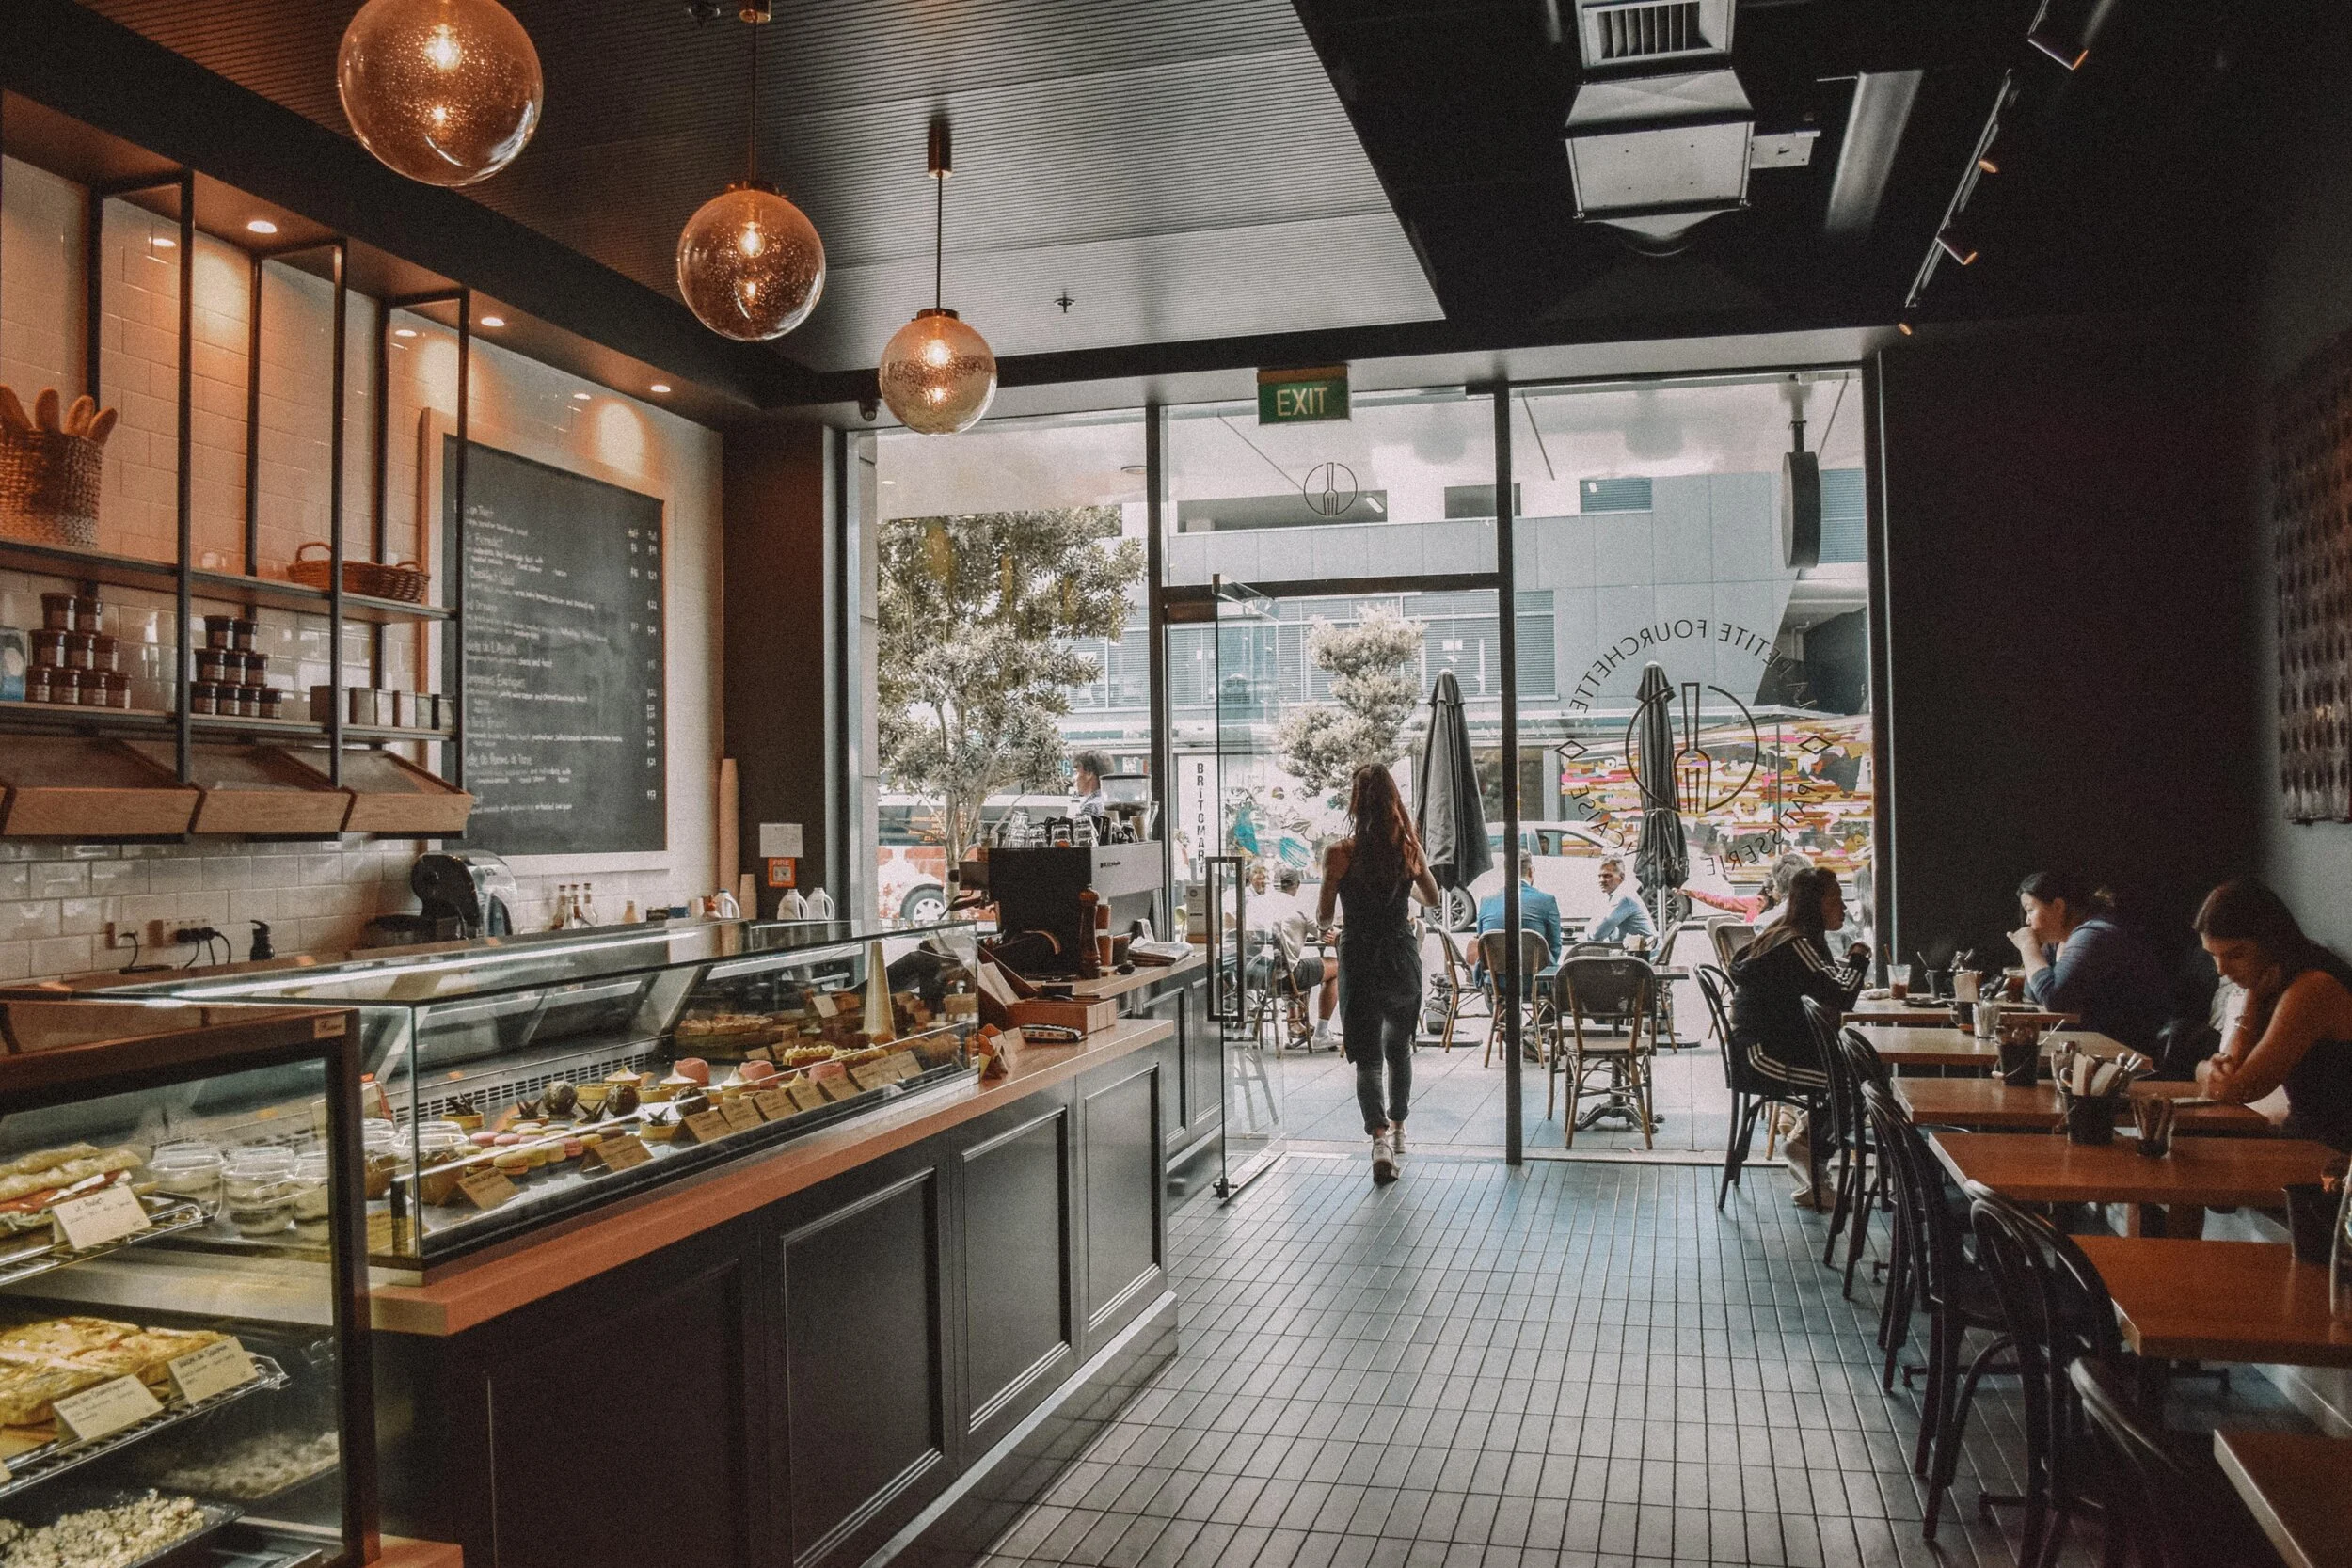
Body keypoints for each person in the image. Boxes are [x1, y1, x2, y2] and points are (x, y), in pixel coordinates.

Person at [1317, 764, 1440, 1185]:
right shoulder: (1407, 848)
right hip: (1400, 951)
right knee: (1398, 1044)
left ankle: (1379, 1140)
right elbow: (1433, 896)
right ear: (1393, 801)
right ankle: (1401, 1125)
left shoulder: (1339, 853)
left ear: (1355, 801)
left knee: (1366, 1055)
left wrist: (1329, 927)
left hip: (1359, 953)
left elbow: (1323, 914)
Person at [1726, 866, 1869, 1207]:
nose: (1845, 909)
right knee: (1857, 1086)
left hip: (1776, 1047)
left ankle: (1806, 1147)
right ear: (1817, 903)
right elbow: (1840, 996)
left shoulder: (1791, 936)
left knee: (1855, 1078)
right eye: (1837, 900)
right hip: (1761, 1057)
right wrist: (1860, 958)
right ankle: (1812, 1162)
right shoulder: (1796, 943)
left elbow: (1826, 984)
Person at [2190, 879, 2352, 1151]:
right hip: (2309, 1142)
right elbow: (2231, 1072)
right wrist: (2252, 1000)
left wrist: (2199, 1070)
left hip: (2334, 1159)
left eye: (2236, 954)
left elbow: (2237, 1090)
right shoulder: (2272, 982)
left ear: (2271, 941)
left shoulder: (2314, 987)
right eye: (2213, 956)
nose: (2221, 970)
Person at [2007, 870, 2170, 1057]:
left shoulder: (2094, 934)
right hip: (2088, 1052)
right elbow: (2033, 995)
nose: (2027, 921)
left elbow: (2054, 999)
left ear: (2058, 906)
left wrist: (2028, 947)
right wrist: (2036, 950)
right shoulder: (2059, 942)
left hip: (2125, 1056)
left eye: (2030, 910)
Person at [1245, 863, 1339, 1047]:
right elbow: (1326, 934)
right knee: (1335, 966)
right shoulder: (1300, 908)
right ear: (1297, 886)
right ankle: (1321, 1033)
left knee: (1296, 964)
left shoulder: (1255, 904)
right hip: (1286, 977)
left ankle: (1295, 1022)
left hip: (1256, 974)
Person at [1589, 857, 1658, 944]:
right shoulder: (1615, 895)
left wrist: (1587, 934)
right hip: (1636, 951)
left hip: (1644, 954)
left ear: (1621, 877)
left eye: (1607, 876)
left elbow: (1597, 934)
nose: (1601, 880)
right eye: (1600, 876)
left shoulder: (1623, 897)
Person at [1070, 751, 1111, 830]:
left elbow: (1084, 838)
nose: (1074, 779)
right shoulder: (1106, 802)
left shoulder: (1090, 807)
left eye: (1077, 772)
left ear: (1089, 774)